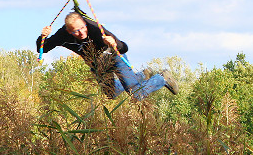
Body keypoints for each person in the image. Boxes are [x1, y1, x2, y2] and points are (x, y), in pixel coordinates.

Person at [38, 12, 178, 100]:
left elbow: (124, 47)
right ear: (69, 31)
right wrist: (43, 37)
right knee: (111, 94)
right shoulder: (62, 35)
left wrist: (114, 43)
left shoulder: (95, 29)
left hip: (114, 58)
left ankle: (162, 78)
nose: (81, 33)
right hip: (98, 66)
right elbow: (42, 48)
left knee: (136, 94)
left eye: (82, 28)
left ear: (85, 24)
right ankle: (142, 75)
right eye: (76, 31)